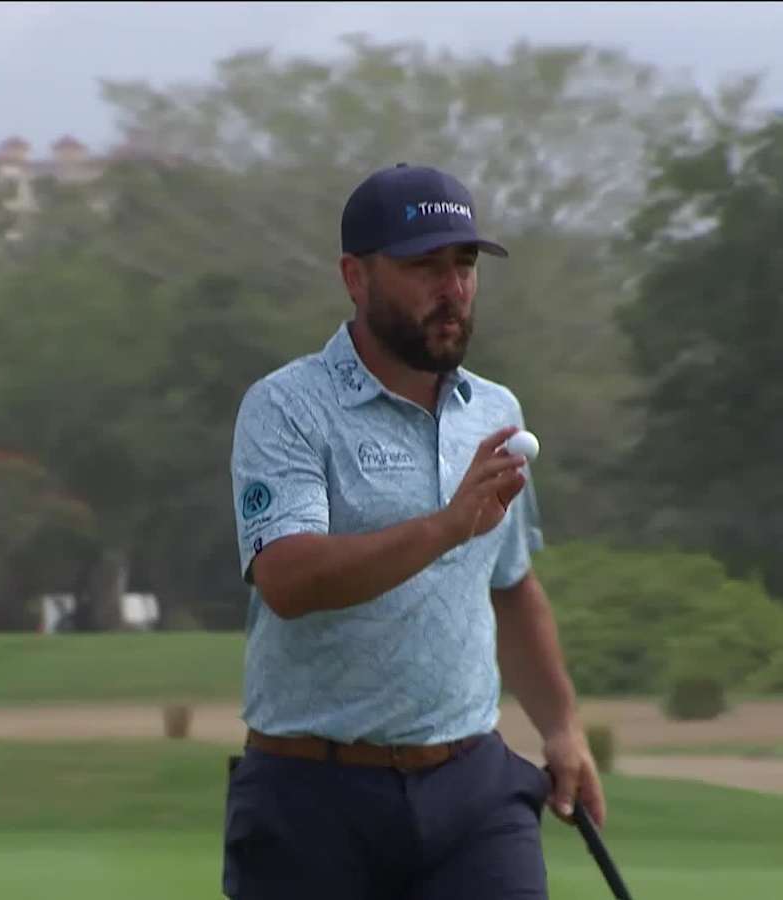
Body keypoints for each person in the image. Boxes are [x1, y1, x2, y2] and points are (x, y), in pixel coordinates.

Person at [223, 161, 604, 900]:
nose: (452, 288)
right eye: (423, 266)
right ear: (355, 277)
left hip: (473, 791)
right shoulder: (287, 407)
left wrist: (562, 728)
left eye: (463, 265)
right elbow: (289, 579)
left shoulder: (495, 412)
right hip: (313, 796)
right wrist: (447, 526)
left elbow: (511, 585)